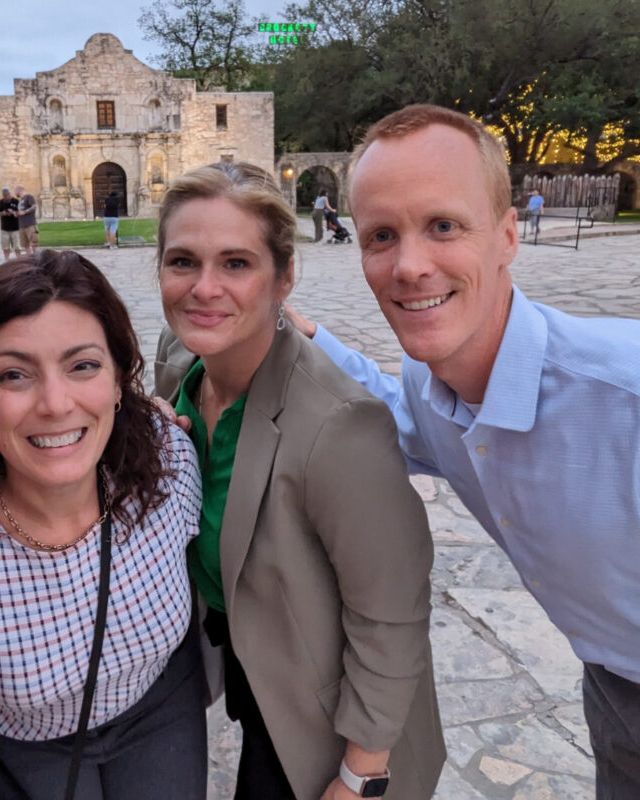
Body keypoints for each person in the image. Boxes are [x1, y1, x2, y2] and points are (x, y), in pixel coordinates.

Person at [299, 104, 640, 799]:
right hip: (611, 685)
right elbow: (399, 418)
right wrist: (305, 338)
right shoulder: (432, 381)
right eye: (381, 236)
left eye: (444, 226)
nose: (410, 266)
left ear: (508, 234)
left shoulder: (625, 398)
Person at [153, 161, 445, 800]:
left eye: (236, 263)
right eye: (182, 261)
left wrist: (361, 773)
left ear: (283, 277)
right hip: (244, 657)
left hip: (329, 713)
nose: (204, 288)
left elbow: (391, 615)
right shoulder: (178, 361)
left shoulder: (339, 426)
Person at [0, 250, 207, 800]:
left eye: (83, 366)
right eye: (14, 375)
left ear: (119, 379)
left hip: (159, 709)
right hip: (25, 745)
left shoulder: (167, 464)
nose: (55, 403)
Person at [0, 187, 21, 261]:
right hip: (5, 228)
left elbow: (20, 212)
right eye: (4, 195)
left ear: (10, 194)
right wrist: (3, 213)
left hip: (15, 228)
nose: (6, 196)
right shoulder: (0, 202)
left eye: (7, 195)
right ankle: (6, 260)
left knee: (17, 246)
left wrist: (13, 212)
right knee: (5, 246)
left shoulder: (16, 201)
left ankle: (19, 260)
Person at [15, 184, 39, 254]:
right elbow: (21, 211)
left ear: (19, 190)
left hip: (30, 225)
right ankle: (29, 261)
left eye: (15, 191)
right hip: (22, 226)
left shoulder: (29, 197)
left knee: (34, 244)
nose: (15, 193)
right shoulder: (20, 201)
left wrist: (25, 211)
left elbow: (34, 206)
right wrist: (17, 213)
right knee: (26, 246)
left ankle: (38, 260)